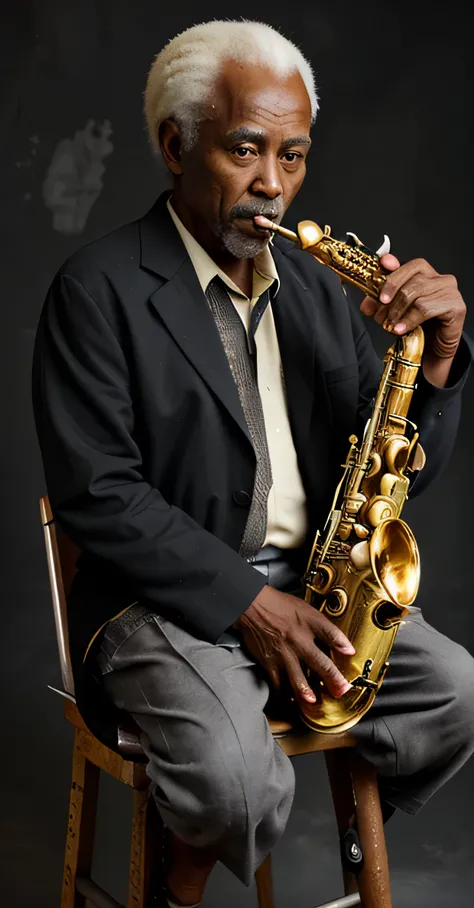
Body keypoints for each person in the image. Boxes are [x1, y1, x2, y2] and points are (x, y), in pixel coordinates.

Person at [32, 20, 474, 908]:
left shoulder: (312, 288)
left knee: (456, 696)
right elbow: (100, 495)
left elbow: (393, 472)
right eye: (244, 150)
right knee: (238, 779)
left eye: (294, 156)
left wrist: (431, 369)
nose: (272, 184)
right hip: (156, 601)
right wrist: (249, 608)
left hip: (310, 588)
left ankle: (344, 847)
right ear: (175, 146)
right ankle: (186, 873)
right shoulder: (97, 289)